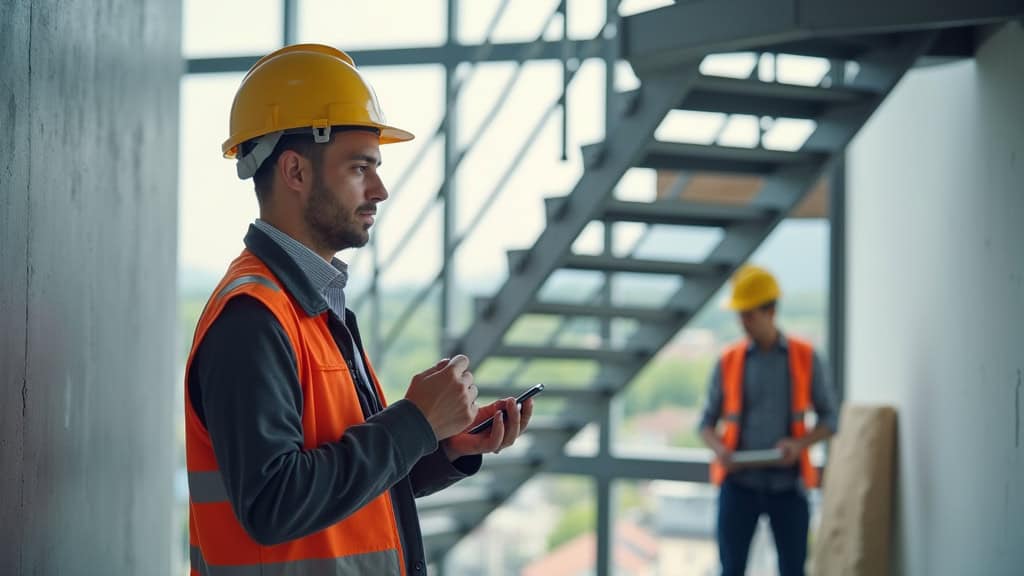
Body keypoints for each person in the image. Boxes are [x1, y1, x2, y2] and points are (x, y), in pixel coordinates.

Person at [184, 43, 533, 576]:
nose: (380, 189)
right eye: (359, 167)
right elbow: (274, 503)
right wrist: (414, 422)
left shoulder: (314, 306)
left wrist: (440, 444)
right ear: (296, 172)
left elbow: (340, 490)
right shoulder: (252, 319)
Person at [698, 264, 838, 576]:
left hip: (788, 486)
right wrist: (720, 450)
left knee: (793, 570)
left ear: (770, 311)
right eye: (740, 314)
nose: (742, 322)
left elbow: (831, 419)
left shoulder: (805, 357)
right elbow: (705, 423)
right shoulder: (729, 360)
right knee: (731, 569)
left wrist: (799, 444)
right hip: (738, 485)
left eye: (749, 314)